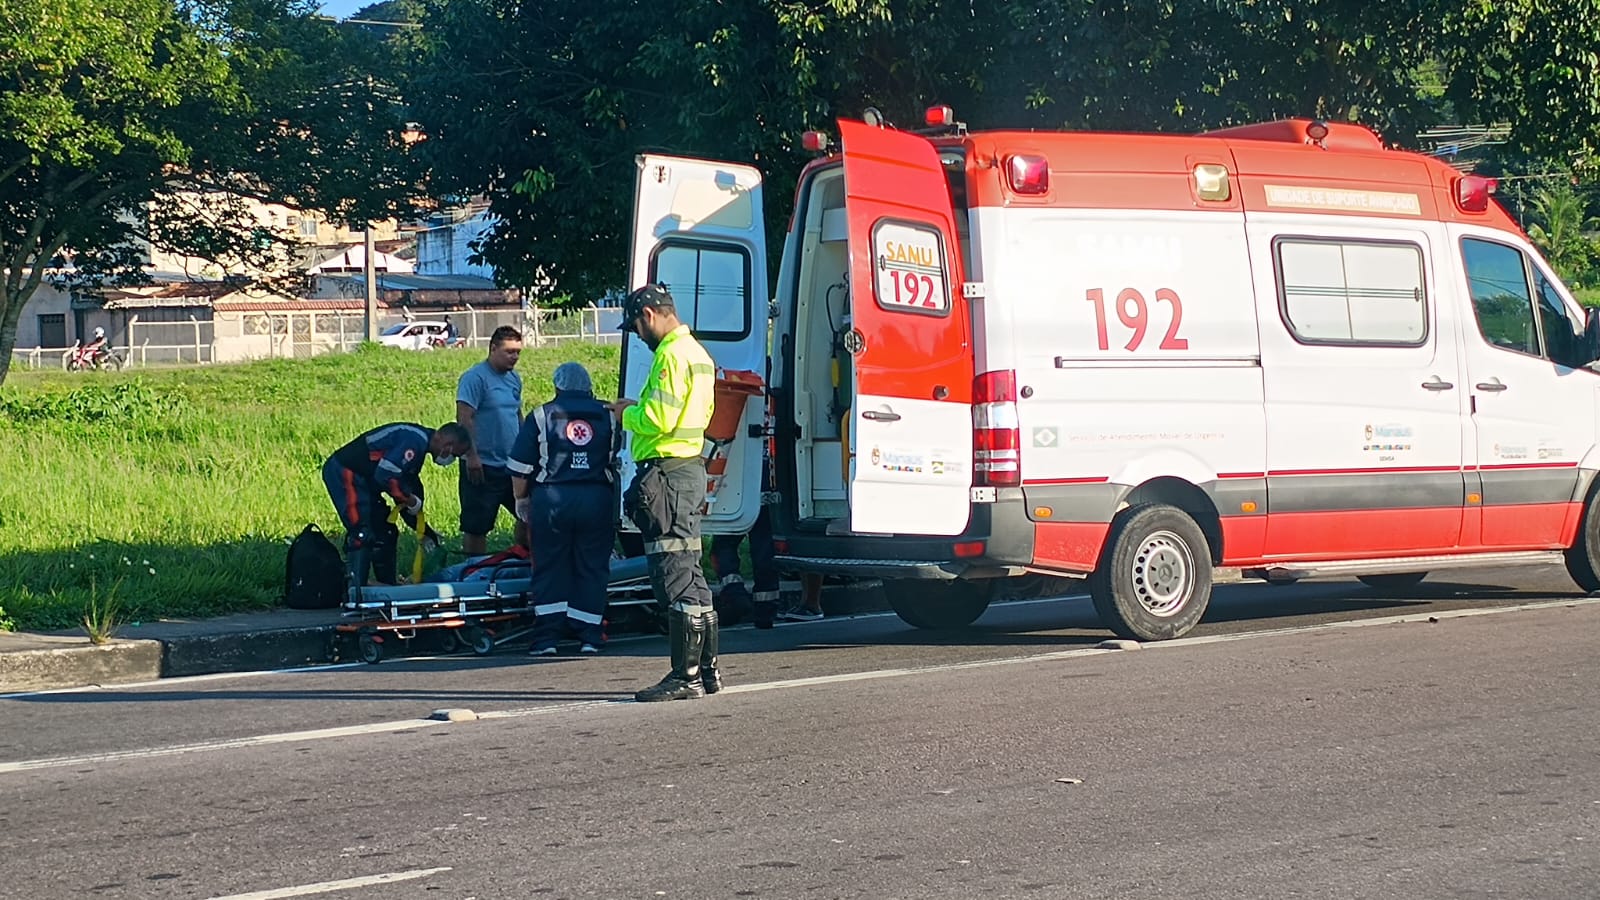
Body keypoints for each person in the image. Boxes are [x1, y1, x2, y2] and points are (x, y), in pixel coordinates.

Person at [609, 284, 719, 701]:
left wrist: (627, 412)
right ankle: (708, 672)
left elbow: (658, 416)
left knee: (673, 574)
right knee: (692, 573)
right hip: (689, 469)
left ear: (650, 314)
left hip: (667, 473)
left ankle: (685, 678)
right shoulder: (698, 353)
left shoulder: (671, 355)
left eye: (637, 326)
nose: (638, 335)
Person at [509, 361, 619, 655]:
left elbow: (520, 468)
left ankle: (547, 639)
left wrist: (521, 500)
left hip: (552, 499)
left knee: (549, 566)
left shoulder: (541, 415)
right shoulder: (610, 415)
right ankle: (590, 636)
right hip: (597, 498)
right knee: (593, 566)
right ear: (588, 385)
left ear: (558, 386)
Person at [322, 422, 472, 597]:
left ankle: (387, 591)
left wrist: (426, 532)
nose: (449, 457)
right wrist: (408, 500)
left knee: (386, 532)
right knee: (361, 533)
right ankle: (355, 593)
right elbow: (387, 476)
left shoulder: (419, 449)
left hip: (366, 482)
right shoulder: (414, 441)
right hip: (345, 473)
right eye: (452, 453)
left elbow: (406, 495)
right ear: (445, 442)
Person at [457, 325, 525, 555]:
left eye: (518, 352)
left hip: (511, 465)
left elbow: (517, 414)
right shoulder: (474, 378)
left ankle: (523, 556)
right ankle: (473, 570)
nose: (514, 357)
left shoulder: (514, 379)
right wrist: (471, 456)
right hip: (483, 465)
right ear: (493, 348)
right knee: (477, 525)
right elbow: (465, 418)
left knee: (527, 513)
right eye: (509, 352)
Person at [710, 458, 782, 628]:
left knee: (723, 547)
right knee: (764, 550)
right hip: (767, 484)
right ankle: (766, 612)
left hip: (736, 486)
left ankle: (735, 595)